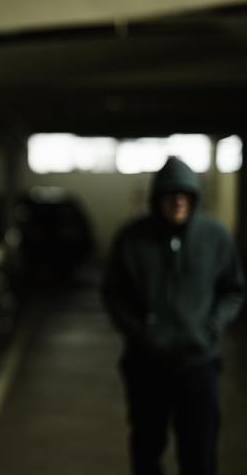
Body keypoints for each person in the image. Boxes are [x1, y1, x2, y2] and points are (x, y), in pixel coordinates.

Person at [102, 156, 244, 475]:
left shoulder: (215, 237)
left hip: (198, 364)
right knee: (147, 448)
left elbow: (233, 290)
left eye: (185, 195)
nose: (178, 201)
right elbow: (113, 292)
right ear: (157, 199)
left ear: (194, 198)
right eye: (170, 195)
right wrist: (138, 331)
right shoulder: (132, 238)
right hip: (146, 365)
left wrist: (210, 327)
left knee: (199, 452)